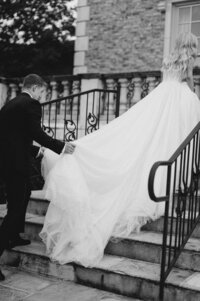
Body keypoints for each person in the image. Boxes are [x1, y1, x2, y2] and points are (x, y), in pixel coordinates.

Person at [40, 32, 200, 267]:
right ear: (191, 45)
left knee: (153, 137)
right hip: (178, 98)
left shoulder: (169, 57)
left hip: (162, 95)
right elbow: (189, 82)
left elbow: (165, 78)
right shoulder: (190, 58)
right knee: (173, 134)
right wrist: (194, 94)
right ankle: (177, 177)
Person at [0, 74, 75, 281]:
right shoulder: (31, 104)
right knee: (15, 209)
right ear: (34, 88)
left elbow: (13, 136)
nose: (43, 96)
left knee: (21, 199)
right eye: (42, 92)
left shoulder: (10, 105)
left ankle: (13, 237)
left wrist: (35, 151)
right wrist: (61, 147)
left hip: (6, 164)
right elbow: (36, 132)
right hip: (17, 166)